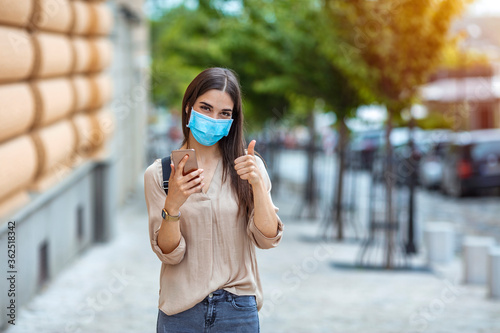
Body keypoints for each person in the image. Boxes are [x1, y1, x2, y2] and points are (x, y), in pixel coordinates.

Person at [144, 67, 284, 333]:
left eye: (224, 113)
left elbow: (267, 238)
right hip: (181, 312)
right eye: (205, 108)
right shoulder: (160, 174)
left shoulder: (248, 167)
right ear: (188, 108)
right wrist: (172, 205)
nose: (213, 118)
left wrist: (257, 185)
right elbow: (169, 254)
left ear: (233, 120)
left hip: (237, 311)